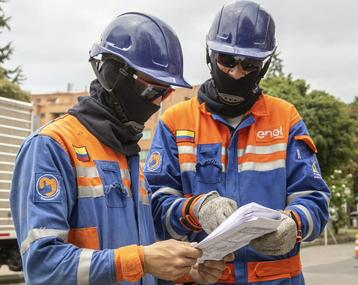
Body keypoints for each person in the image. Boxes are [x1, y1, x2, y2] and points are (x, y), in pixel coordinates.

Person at [10, 12, 228, 284]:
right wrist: (143, 259)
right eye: (152, 91)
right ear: (113, 74)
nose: (157, 103)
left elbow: (142, 262)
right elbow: (43, 267)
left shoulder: (129, 155)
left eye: (165, 92)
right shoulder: (52, 146)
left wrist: (187, 272)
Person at [144, 1, 331, 284]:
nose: (236, 72)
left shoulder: (286, 119)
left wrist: (294, 224)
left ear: (264, 65)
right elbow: (155, 209)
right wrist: (196, 209)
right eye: (227, 61)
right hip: (202, 277)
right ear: (209, 54)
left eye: (250, 65)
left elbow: (314, 198)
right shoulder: (175, 122)